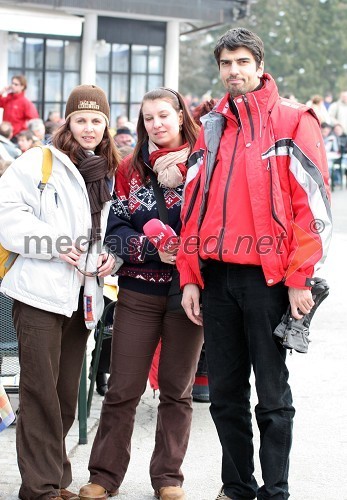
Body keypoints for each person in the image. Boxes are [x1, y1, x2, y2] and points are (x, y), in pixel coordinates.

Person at [177, 27, 332, 500]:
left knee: (271, 396)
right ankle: (237, 487)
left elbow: (314, 210)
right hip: (217, 278)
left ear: (259, 66)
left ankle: (275, 491)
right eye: (225, 63)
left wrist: (298, 276)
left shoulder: (292, 121)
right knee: (224, 395)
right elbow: (192, 207)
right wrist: (189, 277)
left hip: (269, 280)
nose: (233, 71)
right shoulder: (211, 126)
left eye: (242, 62)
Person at [79, 88, 203, 500]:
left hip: (188, 293)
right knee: (122, 388)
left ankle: (168, 478)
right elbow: (116, 230)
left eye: (164, 115)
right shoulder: (130, 170)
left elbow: (215, 224)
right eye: (148, 118)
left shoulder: (207, 165)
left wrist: (184, 251)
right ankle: (104, 476)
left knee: (176, 389)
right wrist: (154, 248)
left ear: (181, 116)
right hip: (138, 291)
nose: (156, 124)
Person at [0, 84, 120, 500]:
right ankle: (39, 487)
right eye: (81, 119)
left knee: (66, 394)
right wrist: (54, 243)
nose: (88, 128)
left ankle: (55, 479)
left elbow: (115, 230)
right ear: (67, 121)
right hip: (38, 294)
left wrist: (113, 259)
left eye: (96, 121)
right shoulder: (39, 161)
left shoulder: (110, 170)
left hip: (83, 296)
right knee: (39, 393)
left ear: (106, 125)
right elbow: (8, 219)